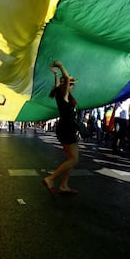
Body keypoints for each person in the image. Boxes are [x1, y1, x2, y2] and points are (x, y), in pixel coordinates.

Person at [42, 60, 79, 195]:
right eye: (72, 84)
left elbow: (59, 85)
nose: (73, 86)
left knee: (71, 159)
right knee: (74, 159)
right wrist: (61, 66)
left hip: (65, 128)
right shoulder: (64, 96)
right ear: (66, 86)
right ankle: (50, 178)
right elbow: (65, 82)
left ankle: (64, 185)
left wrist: (56, 74)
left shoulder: (59, 93)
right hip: (67, 129)